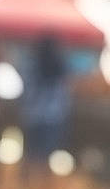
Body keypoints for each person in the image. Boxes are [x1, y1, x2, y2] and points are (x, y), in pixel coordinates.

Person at [20, 33, 72, 176]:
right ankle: (42, 180)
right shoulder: (59, 67)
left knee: (34, 154)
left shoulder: (32, 66)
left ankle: (34, 180)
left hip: (35, 117)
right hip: (52, 118)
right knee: (46, 154)